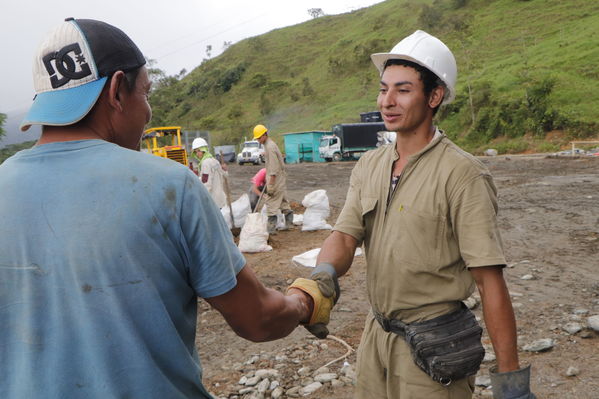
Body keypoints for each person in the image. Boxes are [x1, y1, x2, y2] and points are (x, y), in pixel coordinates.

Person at [0, 18, 331, 399]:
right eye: (146, 93)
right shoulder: (169, 186)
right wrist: (303, 302)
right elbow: (257, 319)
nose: (148, 111)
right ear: (115, 92)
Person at [289, 30, 536, 399]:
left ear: (434, 96)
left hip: (435, 347)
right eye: (383, 89)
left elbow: (489, 283)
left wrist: (511, 381)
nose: (387, 101)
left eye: (402, 90)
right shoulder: (370, 165)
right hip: (377, 338)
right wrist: (322, 276)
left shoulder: (462, 174)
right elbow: (344, 235)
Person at [252, 124, 293, 234]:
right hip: (279, 177)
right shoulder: (268, 145)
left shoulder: (269, 147)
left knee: (271, 202)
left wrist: (270, 185)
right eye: (257, 139)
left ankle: (271, 229)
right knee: (283, 200)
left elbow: (273, 169)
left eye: (259, 138)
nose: (259, 140)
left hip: (275, 178)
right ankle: (289, 224)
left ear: (265, 135)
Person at [192, 137, 228, 209]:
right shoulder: (215, 161)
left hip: (213, 201)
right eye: (196, 151)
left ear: (204, 150)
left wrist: (202, 200)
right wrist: (225, 170)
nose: (197, 153)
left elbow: (206, 184)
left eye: (199, 151)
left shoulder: (205, 163)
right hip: (221, 199)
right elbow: (225, 176)